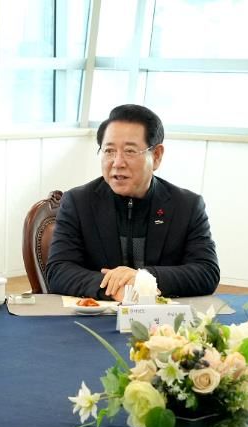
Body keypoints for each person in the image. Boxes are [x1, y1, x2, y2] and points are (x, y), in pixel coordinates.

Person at [45, 104, 220, 301]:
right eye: (109, 151)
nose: (117, 162)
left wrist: (143, 279)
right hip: (98, 313)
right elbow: (58, 271)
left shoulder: (187, 206)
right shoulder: (78, 203)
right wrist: (115, 288)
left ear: (156, 156)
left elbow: (207, 272)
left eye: (129, 151)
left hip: (162, 316)